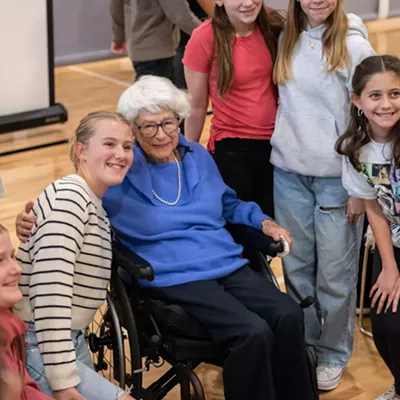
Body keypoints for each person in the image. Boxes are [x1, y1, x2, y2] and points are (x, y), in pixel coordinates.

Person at [17, 75, 314, 400]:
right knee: (251, 332)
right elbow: (83, 190)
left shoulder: (198, 156)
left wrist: (262, 221)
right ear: (134, 128)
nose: (161, 134)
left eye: (168, 123)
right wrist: (34, 214)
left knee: (288, 314)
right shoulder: (123, 166)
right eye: (148, 127)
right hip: (173, 275)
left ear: (179, 119)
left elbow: (227, 202)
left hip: (226, 262)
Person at [270, 0, 376, 391]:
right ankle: (306, 345)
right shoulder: (286, 39)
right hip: (289, 172)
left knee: (334, 272)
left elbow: (367, 122)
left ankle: (332, 352)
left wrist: (357, 187)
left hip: (336, 179)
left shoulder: (355, 46)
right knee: (296, 266)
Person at [13, 111, 135, 400]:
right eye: (109, 144)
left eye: (127, 146)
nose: (121, 154)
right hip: (42, 341)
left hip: (67, 337)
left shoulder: (89, 199)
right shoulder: (70, 198)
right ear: (81, 150)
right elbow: (49, 294)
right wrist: (63, 381)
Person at [336, 54, 400, 400]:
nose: (387, 104)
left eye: (395, 93)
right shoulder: (356, 150)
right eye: (375, 95)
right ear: (357, 100)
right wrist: (389, 268)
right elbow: (374, 209)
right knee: (387, 324)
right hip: (394, 245)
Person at [183, 0, 284, 217]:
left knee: (272, 226)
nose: (248, 3)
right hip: (233, 149)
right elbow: (197, 105)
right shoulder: (205, 38)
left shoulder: (273, 27)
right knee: (243, 228)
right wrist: (188, 153)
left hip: (277, 146)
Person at [0, 225, 54, 400]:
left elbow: (25, 387)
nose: (17, 268)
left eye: (12, 256)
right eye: (0, 261)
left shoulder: (9, 324)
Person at [110, 0, 202, 82]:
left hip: (138, 49)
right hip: (159, 50)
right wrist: (209, 34)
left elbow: (116, 7)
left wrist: (119, 36)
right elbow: (181, 16)